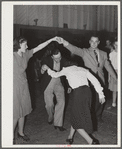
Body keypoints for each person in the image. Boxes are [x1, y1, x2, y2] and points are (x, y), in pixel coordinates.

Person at [56, 36, 117, 124]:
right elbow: (74, 49)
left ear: (99, 42)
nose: (94, 43)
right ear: (89, 42)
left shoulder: (104, 53)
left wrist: (116, 78)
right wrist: (64, 42)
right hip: (89, 80)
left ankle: (98, 116)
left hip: (101, 80)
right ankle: (91, 117)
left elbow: (108, 66)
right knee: (91, 99)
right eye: (92, 41)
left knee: (101, 100)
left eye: (96, 41)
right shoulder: (85, 52)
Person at [43, 62, 105, 144]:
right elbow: (95, 80)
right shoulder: (82, 69)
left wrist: (48, 69)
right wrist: (101, 94)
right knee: (76, 115)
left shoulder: (66, 69)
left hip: (79, 93)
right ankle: (70, 137)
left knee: (76, 118)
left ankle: (91, 141)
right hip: (88, 93)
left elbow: (55, 75)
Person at [13, 36, 57, 143]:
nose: (27, 46)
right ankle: (10, 136)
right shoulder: (11, 56)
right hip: (13, 86)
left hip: (23, 85)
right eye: (25, 45)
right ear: (18, 44)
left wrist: (50, 40)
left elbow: (39, 47)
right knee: (15, 113)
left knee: (24, 110)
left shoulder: (26, 54)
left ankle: (21, 132)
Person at [40, 47, 70, 131]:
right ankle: (50, 116)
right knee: (49, 105)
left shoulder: (64, 60)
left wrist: (69, 86)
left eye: (60, 57)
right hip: (48, 83)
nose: (59, 59)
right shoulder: (46, 60)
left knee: (62, 102)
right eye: (56, 58)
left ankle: (58, 124)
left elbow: (68, 74)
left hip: (59, 82)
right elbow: (41, 73)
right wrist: (42, 69)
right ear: (52, 57)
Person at [108, 39, 118, 108]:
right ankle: (113, 103)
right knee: (114, 89)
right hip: (114, 72)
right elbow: (109, 66)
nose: (117, 46)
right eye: (116, 45)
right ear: (114, 45)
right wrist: (109, 76)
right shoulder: (111, 54)